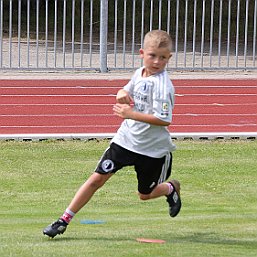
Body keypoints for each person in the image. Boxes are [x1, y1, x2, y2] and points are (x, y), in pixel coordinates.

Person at [43, 30, 182, 238]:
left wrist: (130, 113)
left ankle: (171, 188)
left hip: (153, 150)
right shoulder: (140, 72)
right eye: (152, 55)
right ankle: (63, 220)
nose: (156, 61)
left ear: (169, 58)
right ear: (142, 53)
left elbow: (164, 119)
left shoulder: (163, 86)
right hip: (125, 140)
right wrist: (122, 93)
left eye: (162, 57)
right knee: (96, 179)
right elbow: (125, 91)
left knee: (144, 195)